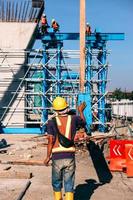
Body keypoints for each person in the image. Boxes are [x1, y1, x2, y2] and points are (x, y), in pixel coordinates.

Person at [44, 96, 87, 200]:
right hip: (70, 155)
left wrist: (47, 157)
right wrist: (80, 111)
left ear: (55, 110)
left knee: (56, 182)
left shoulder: (51, 122)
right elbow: (83, 123)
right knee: (69, 183)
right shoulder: (74, 119)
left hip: (56, 156)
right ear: (66, 107)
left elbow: (50, 141)